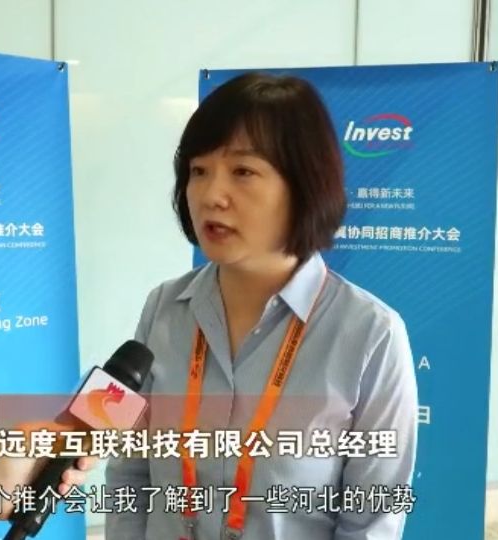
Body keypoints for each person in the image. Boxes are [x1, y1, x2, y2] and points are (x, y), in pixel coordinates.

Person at [105, 72, 419, 540]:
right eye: (198, 171)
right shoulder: (164, 308)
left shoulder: (370, 334)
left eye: (243, 171)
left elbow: (371, 520)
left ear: (304, 184)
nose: (211, 196)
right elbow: (130, 475)